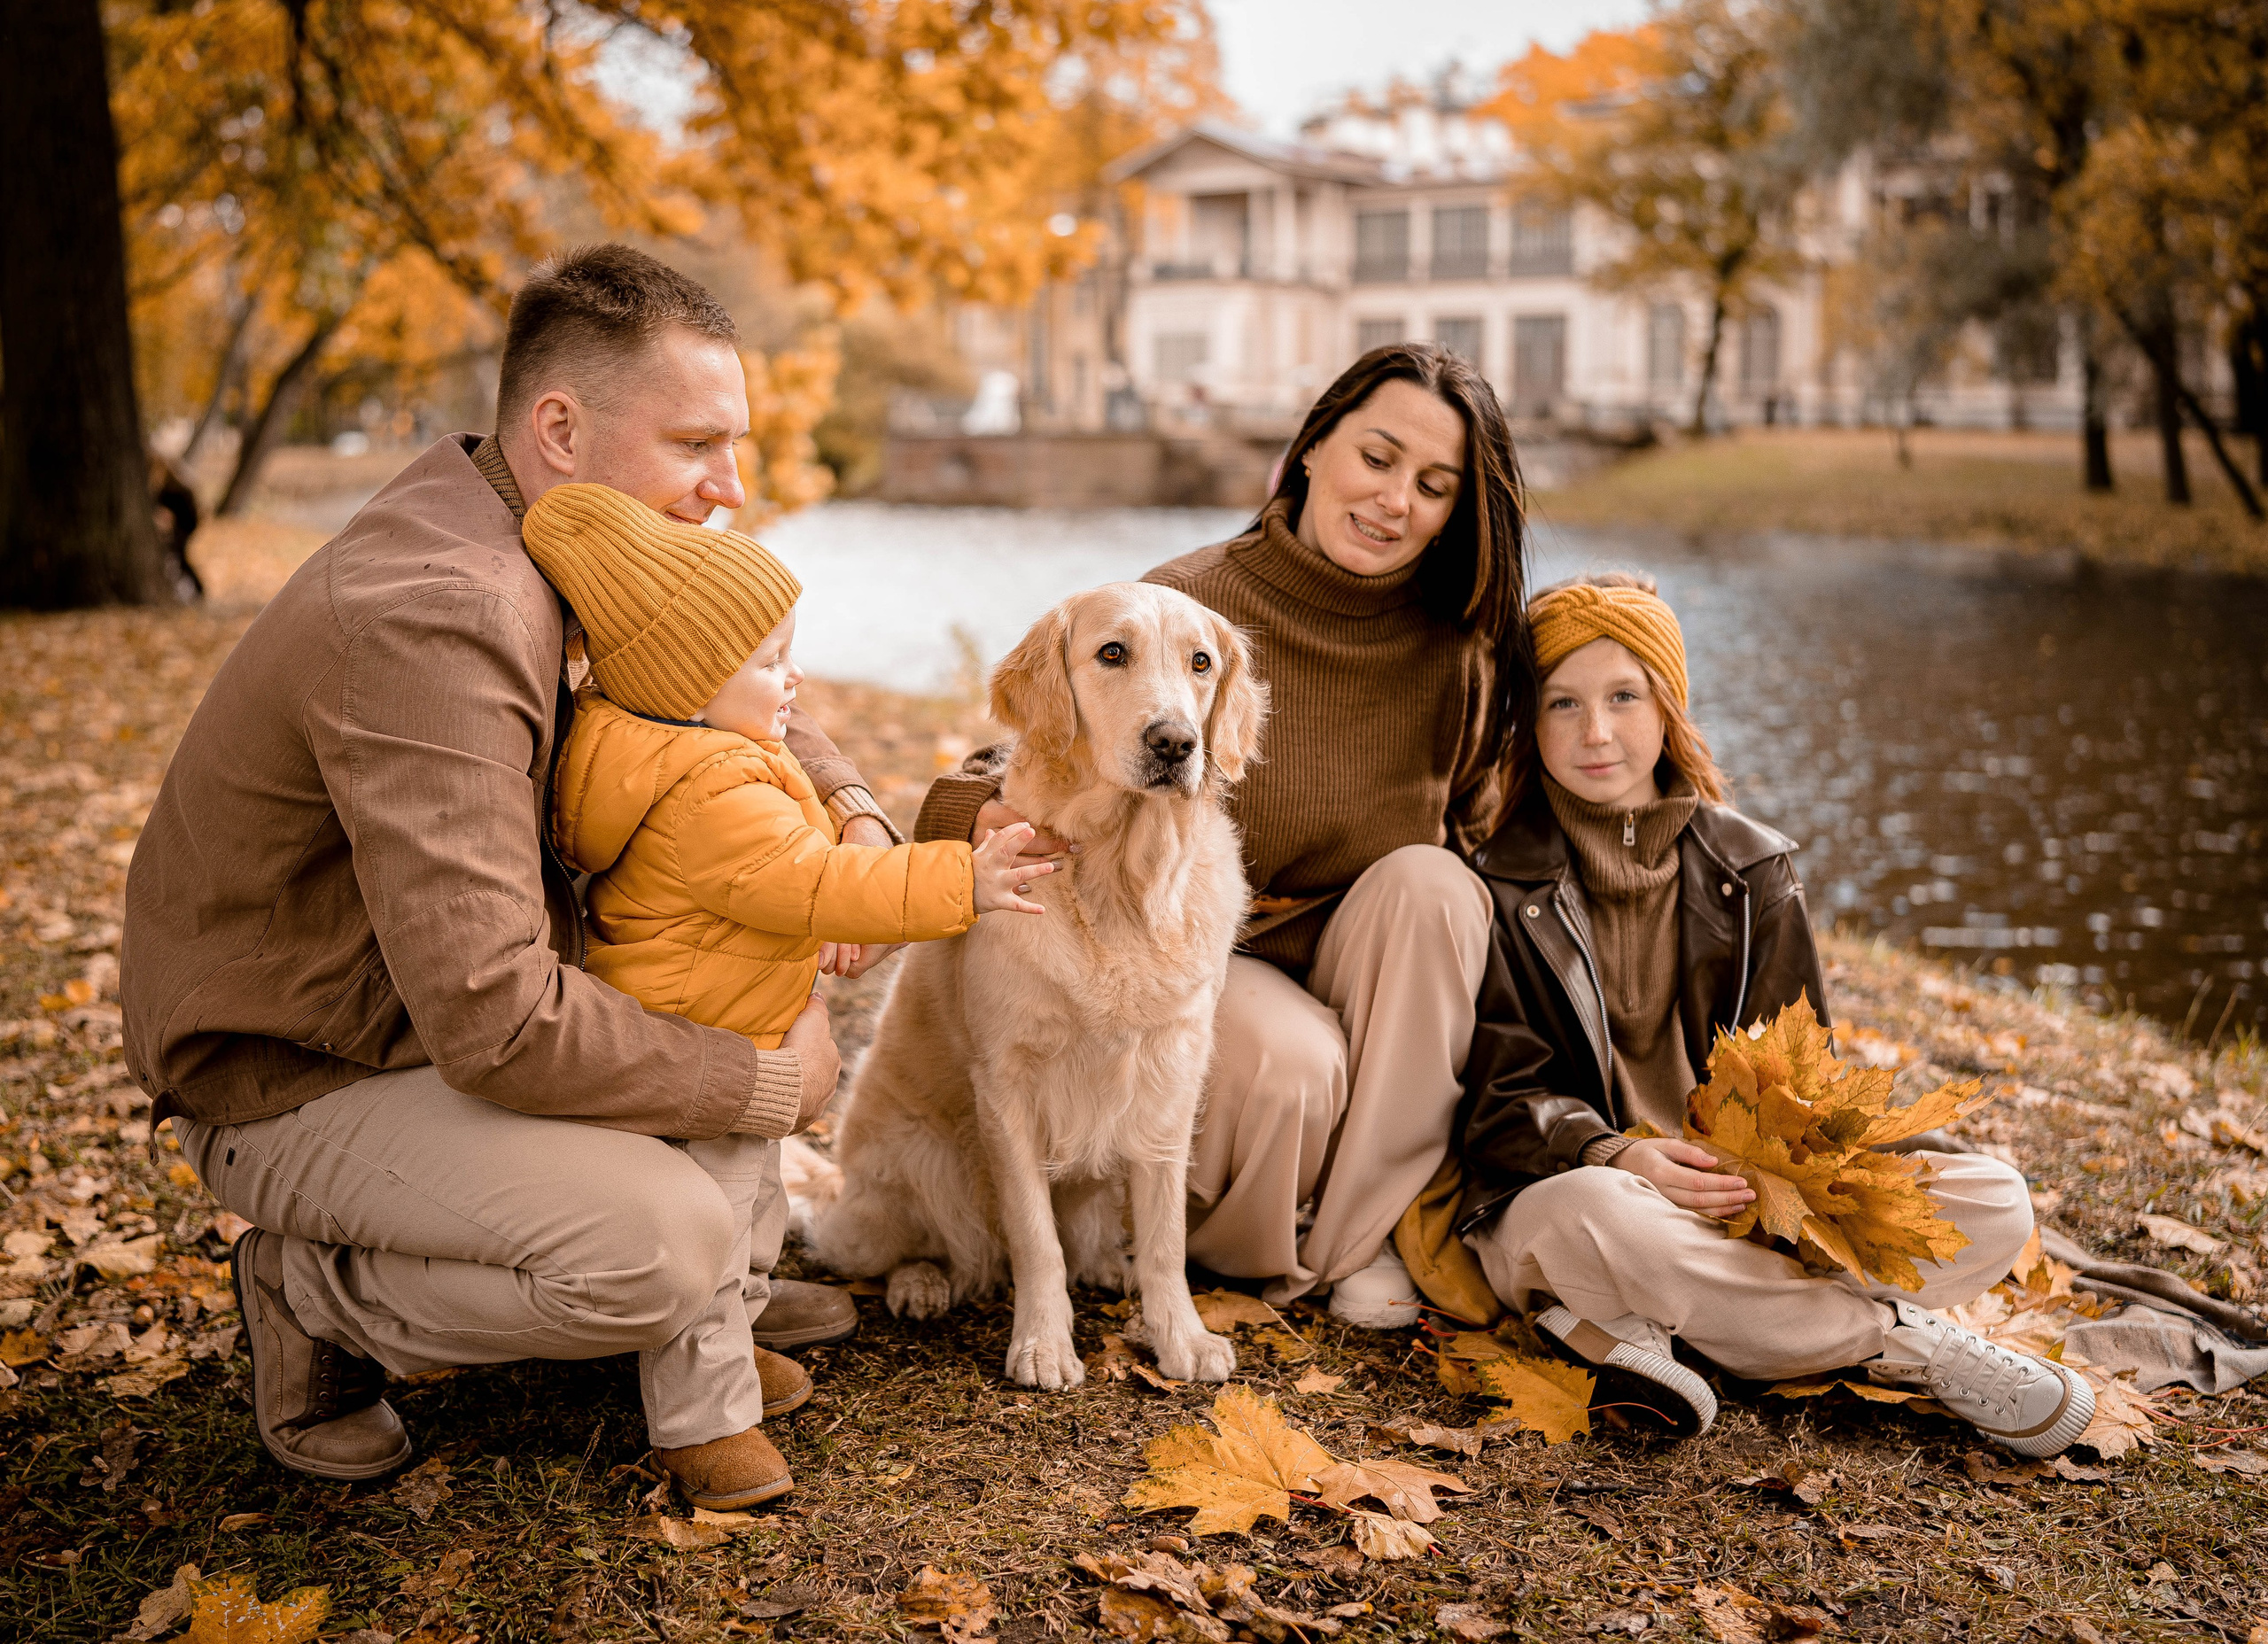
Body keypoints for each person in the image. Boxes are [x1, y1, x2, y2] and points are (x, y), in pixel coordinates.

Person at [120, 245, 892, 1500]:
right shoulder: (443, 612)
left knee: (723, 1017)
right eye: (698, 444)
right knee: (661, 1243)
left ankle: (700, 1313)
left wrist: (853, 810)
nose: (730, 486)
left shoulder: (567, 533)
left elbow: (722, 680)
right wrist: (765, 1080)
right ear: (560, 427)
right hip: (300, 1067)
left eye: (735, 445)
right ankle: (312, 1296)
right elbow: (495, 1018)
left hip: (426, 1025)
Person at [913, 343, 1533, 1321]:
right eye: (1375, 458)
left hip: (1355, 954)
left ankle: (1362, 1240)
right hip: (1214, 947)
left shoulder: (1457, 653)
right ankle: (1256, 1253)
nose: (1393, 500)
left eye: (1432, 484)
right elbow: (1031, 755)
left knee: (1438, 886)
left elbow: (1474, 828)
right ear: (1312, 448)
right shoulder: (1193, 601)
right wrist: (968, 819)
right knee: (1295, 1060)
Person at [1448, 573, 2095, 1455]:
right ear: (1531, 720)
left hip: (1732, 1200)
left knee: (1996, 1201)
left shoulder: (1749, 870)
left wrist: (1785, 1179)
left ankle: (1638, 1321)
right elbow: (1499, 1102)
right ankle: (1897, 1340)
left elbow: (1803, 1076)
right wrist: (1618, 1148)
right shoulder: (1498, 880)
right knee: (1608, 1216)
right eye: (1562, 702)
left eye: (1622, 695)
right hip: (1570, 1189)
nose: (1595, 731)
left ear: (1668, 705)